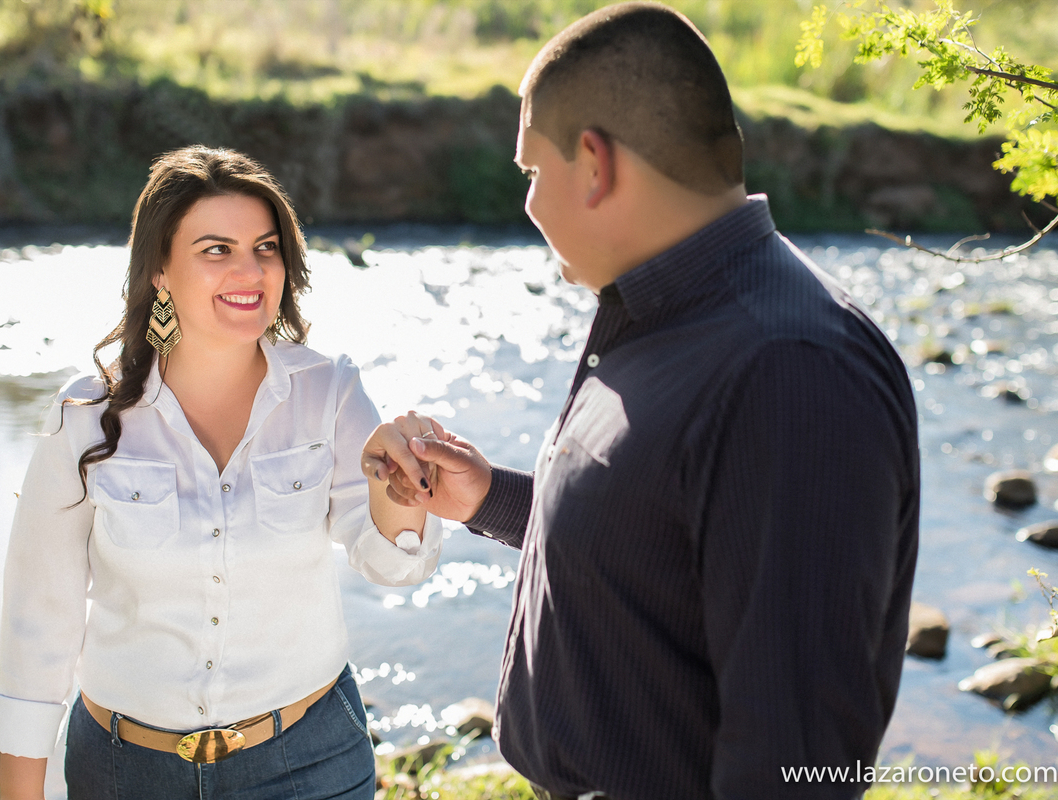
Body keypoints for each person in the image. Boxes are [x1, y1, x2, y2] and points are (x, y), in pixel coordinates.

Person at [362, 3, 920, 798]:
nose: (526, 204)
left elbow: (795, 761)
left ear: (595, 163)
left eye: (531, 171)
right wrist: (488, 499)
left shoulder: (789, 373)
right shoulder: (661, 314)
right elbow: (653, 551)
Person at [0, 145, 442, 799]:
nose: (251, 270)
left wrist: (399, 489)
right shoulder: (84, 417)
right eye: (215, 249)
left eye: (266, 247)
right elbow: (39, 621)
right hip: (123, 772)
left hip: (309, 763)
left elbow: (395, 565)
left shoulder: (331, 391)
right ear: (158, 271)